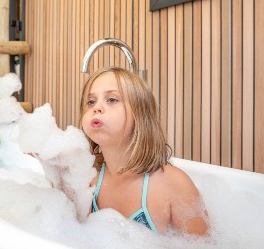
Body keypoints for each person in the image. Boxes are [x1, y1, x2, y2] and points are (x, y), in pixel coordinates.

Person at [80, 66, 208, 235]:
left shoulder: (174, 184)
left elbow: (203, 244)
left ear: (140, 115)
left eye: (111, 99)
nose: (97, 107)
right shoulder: (87, 175)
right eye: (91, 101)